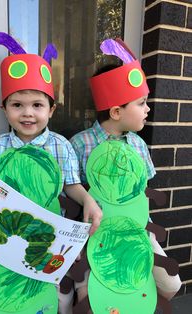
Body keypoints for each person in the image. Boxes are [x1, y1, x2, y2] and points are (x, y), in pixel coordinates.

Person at [0, 32, 102, 314]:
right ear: (4, 109)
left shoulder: (60, 146)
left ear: (51, 109)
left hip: (48, 243)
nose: (28, 113)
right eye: (17, 105)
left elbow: (72, 185)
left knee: (48, 299)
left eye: (37, 105)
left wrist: (88, 200)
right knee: (8, 299)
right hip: (6, 243)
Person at [70, 39, 181, 310]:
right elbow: (71, 191)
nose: (148, 109)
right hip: (95, 237)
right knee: (91, 300)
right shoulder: (80, 144)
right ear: (117, 111)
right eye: (141, 103)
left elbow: (143, 192)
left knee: (171, 284)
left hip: (136, 232)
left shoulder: (139, 145)